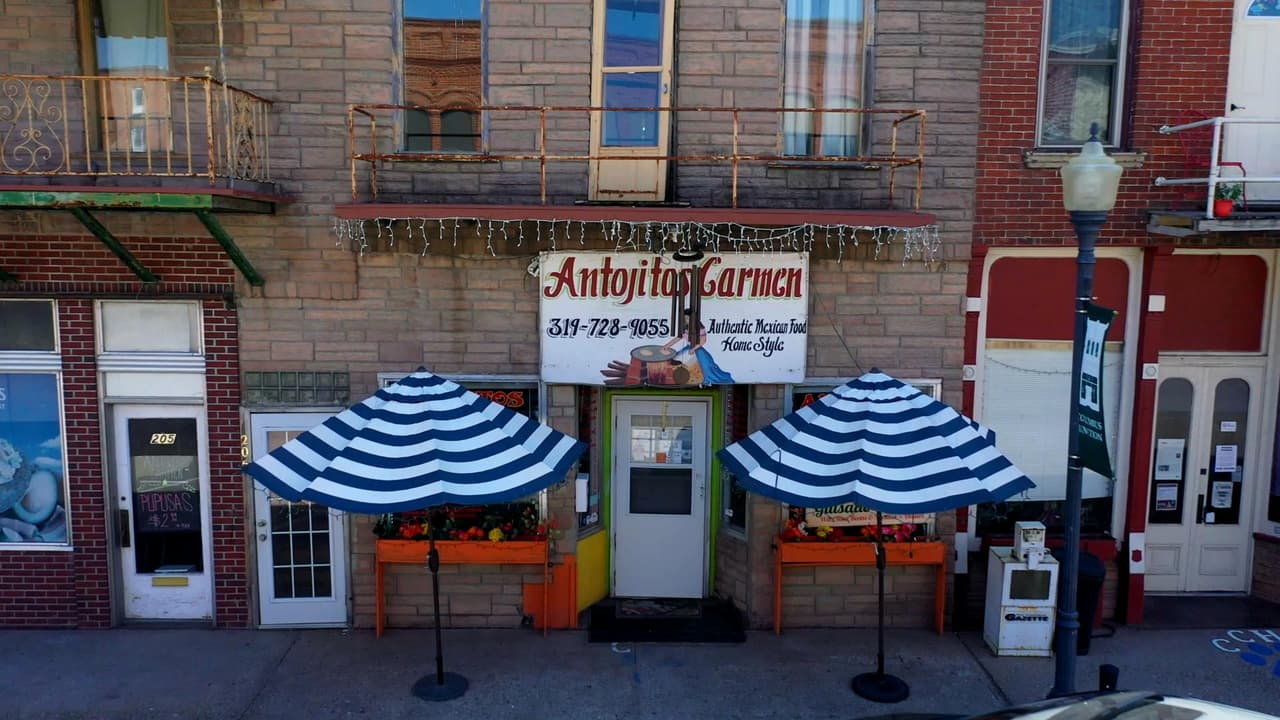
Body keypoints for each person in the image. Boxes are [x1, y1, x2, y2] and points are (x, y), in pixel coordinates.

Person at [661, 310, 735, 384]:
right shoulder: (685, 327)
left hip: (697, 349)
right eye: (685, 318)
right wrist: (667, 346)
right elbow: (678, 337)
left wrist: (694, 348)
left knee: (705, 368)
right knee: (675, 359)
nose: (686, 320)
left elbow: (703, 340)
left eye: (688, 318)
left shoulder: (699, 327)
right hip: (689, 348)